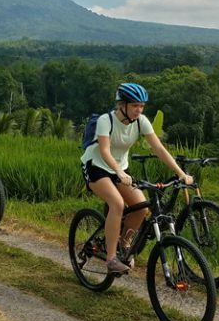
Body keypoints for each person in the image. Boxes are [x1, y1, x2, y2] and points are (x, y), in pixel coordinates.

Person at [80, 82, 194, 275]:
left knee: (141, 207)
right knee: (117, 204)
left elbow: (159, 149)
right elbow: (105, 151)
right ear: (122, 105)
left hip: (120, 169)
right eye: (134, 106)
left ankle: (124, 245)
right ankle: (111, 259)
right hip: (96, 167)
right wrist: (119, 172)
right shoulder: (105, 121)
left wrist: (180, 174)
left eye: (141, 106)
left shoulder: (141, 121)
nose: (138, 110)